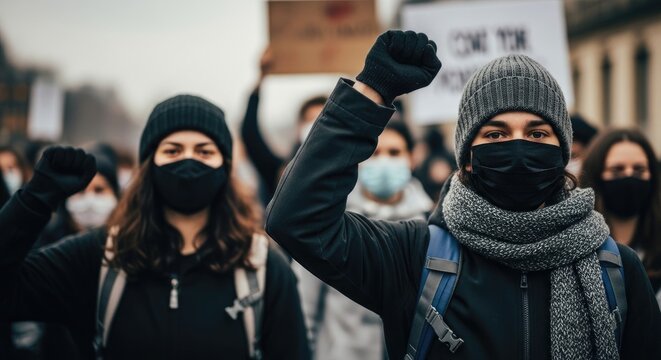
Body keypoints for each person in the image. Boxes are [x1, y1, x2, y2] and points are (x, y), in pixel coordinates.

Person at [265, 30, 661, 359]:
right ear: (467, 159)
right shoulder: (415, 256)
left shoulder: (618, 271)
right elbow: (298, 220)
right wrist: (371, 93)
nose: (518, 146)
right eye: (496, 135)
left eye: (538, 134)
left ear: (563, 154)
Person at [0, 94, 310, 359]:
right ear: (148, 167)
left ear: (226, 168)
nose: (189, 161)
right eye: (173, 150)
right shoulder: (100, 257)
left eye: (204, 151)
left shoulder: (262, 266)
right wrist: (35, 199)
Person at [295, 120, 433, 360]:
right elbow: (303, 305)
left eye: (394, 152)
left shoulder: (430, 228)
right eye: (374, 153)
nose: (384, 161)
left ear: (412, 158)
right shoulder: (332, 224)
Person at [580, 128, 661, 307]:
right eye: (617, 170)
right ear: (596, 175)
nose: (629, 175)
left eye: (639, 169)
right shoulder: (577, 247)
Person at [241, 47, 327, 204]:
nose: (316, 127)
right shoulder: (279, 172)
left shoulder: (350, 172)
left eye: (322, 120)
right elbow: (250, 133)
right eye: (311, 120)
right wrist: (262, 76)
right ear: (299, 128)